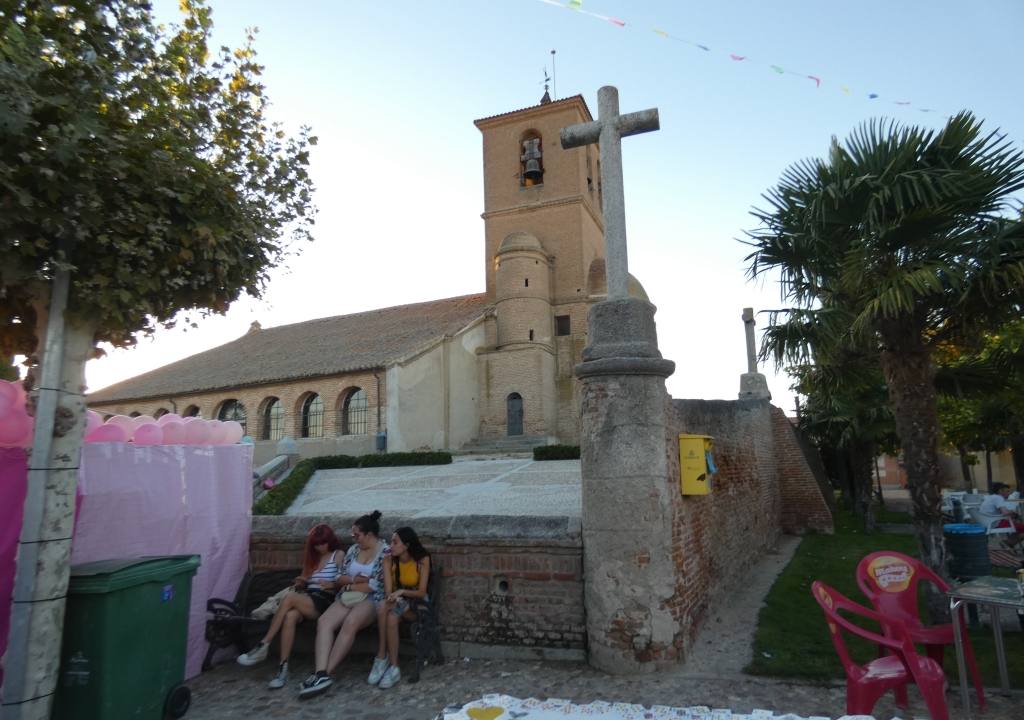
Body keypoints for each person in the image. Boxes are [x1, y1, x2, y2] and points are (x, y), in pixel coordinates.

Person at [237, 523, 342, 689]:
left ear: (330, 540)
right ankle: (282, 668)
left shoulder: (338, 555)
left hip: (325, 600)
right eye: (316, 544)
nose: (320, 547)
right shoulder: (312, 559)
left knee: (290, 598)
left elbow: (341, 581)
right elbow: (304, 581)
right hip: (308, 597)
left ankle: (263, 644)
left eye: (323, 542)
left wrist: (330, 584)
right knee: (289, 616)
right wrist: (302, 581)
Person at [299, 510, 387, 697]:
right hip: (348, 594)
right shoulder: (354, 550)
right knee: (324, 622)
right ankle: (320, 672)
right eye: (353, 534)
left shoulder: (384, 552)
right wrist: (356, 580)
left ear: (369, 535)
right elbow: (339, 577)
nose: (354, 538)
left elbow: (376, 585)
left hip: (371, 600)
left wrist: (355, 582)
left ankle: (325, 673)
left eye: (357, 535)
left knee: (351, 622)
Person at [368, 526, 432, 689]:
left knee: (385, 608)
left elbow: (421, 592)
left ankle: (382, 657)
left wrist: (402, 591)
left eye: (395, 542)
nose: (391, 545)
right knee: (388, 612)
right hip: (398, 603)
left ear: (407, 545)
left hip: (416, 605)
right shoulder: (389, 559)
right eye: (391, 541)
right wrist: (394, 596)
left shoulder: (422, 560)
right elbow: (389, 591)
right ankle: (392, 665)